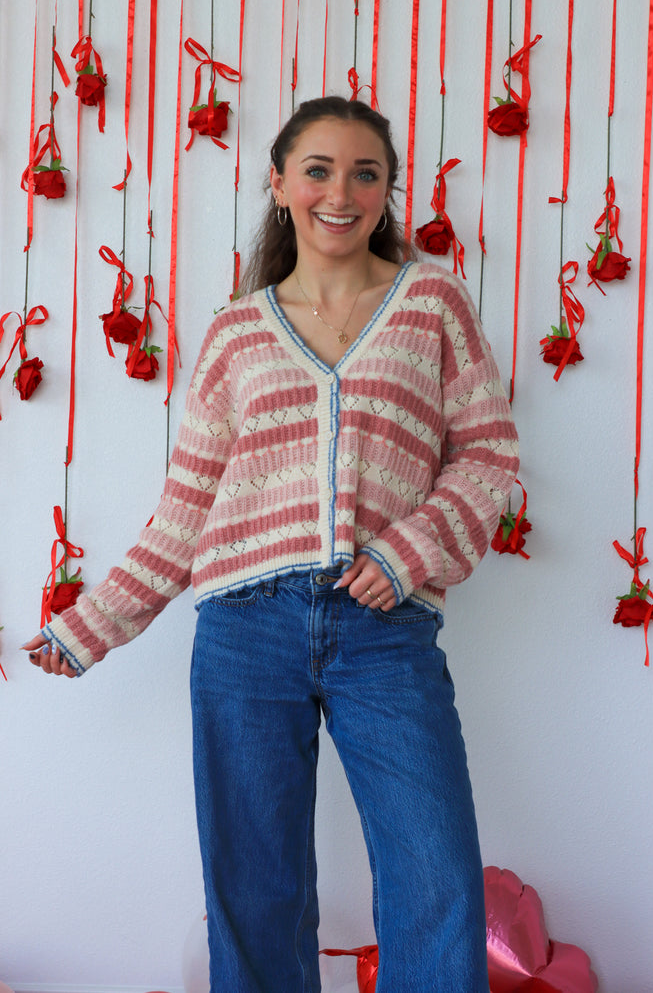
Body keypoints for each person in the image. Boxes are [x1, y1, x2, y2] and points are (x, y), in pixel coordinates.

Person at [24, 95, 519, 992]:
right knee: (254, 888)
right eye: (320, 170)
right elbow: (184, 514)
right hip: (246, 635)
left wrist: (407, 555)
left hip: (387, 630)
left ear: (387, 190)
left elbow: (487, 455)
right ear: (281, 185)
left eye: (366, 172)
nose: (342, 191)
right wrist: (85, 628)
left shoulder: (432, 301)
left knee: (435, 878)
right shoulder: (236, 334)